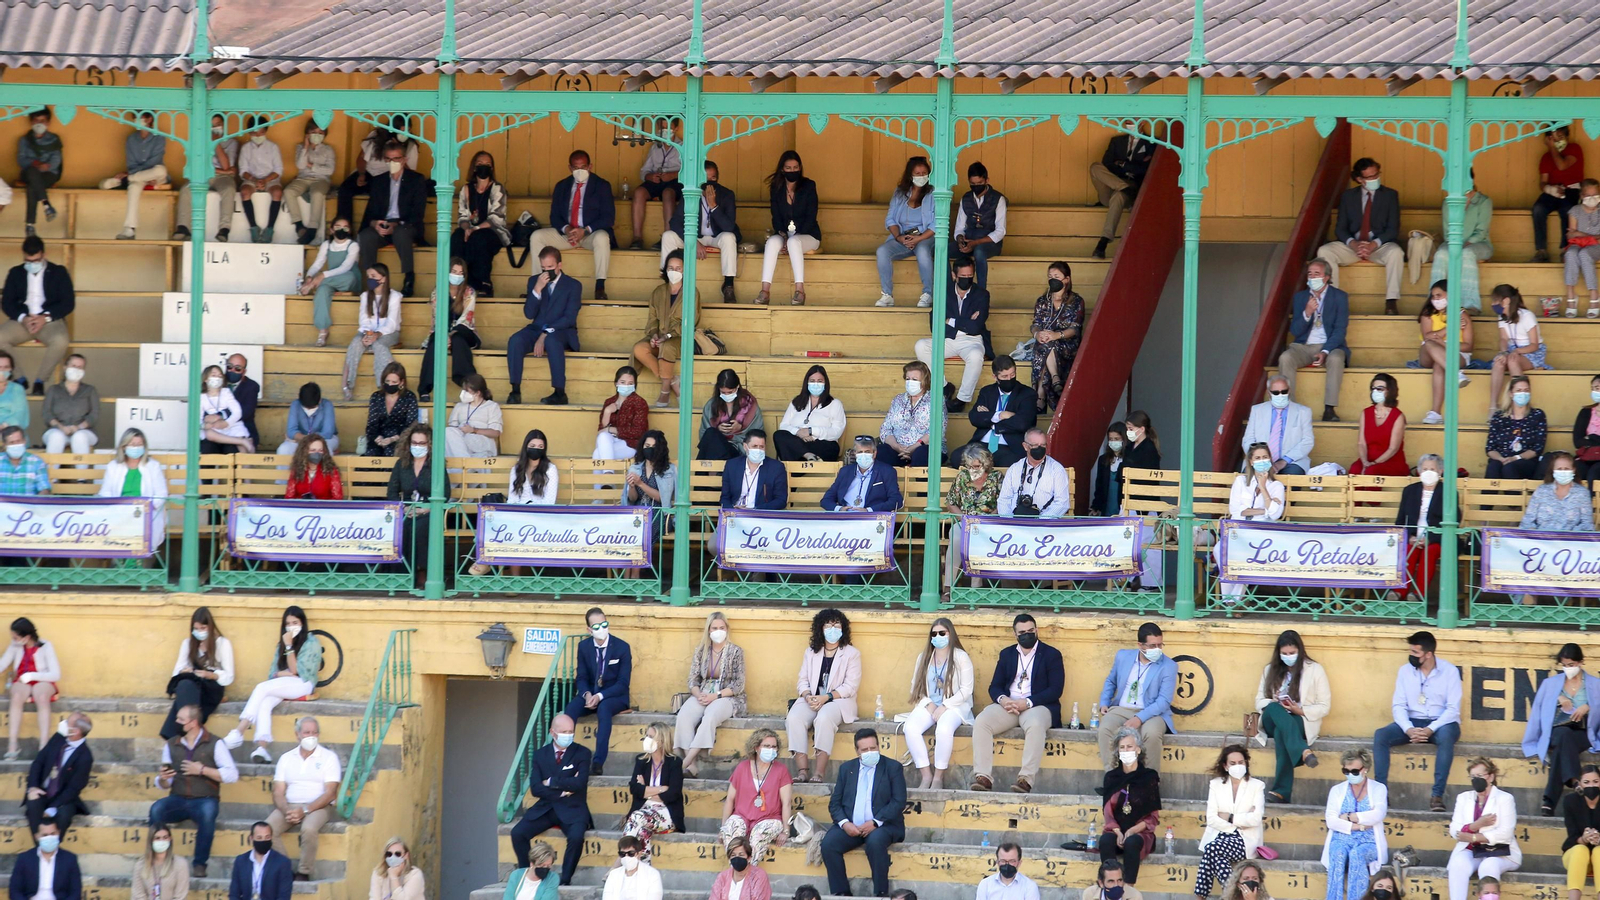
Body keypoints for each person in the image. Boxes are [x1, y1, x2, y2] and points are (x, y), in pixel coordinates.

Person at [971, 614, 1063, 794]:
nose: (1027, 635)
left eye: (1030, 631)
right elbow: (994, 686)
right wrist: (1003, 700)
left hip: (1037, 705)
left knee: (1035, 725)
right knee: (982, 721)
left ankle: (1025, 780)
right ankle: (983, 777)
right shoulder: (1007, 654)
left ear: (1036, 630)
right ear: (1015, 634)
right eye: (1022, 633)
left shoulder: (1051, 654)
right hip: (1009, 705)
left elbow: (1055, 689)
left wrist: (1027, 702)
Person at [1372, 631, 1461, 812]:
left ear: (1428, 654)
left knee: (1446, 738)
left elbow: (1453, 709)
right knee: (1381, 735)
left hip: (1441, 723)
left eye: (1415, 652)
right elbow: (1398, 705)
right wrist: (1408, 729)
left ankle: (1437, 796)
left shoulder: (1450, 672)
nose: (1411, 655)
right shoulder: (1405, 671)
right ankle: (1381, 794)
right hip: (1412, 722)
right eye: (1411, 651)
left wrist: (1430, 729)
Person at [151, 703, 238, 878]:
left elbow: (232, 775)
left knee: (208, 813)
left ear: (193, 723)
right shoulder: (171, 744)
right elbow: (166, 782)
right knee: (156, 809)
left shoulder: (215, 743)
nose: (176, 722)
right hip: (178, 798)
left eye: (180, 720)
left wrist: (202, 770)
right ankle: (159, 860)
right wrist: (163, 779)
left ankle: (200, 864)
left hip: (205, 798)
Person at [226, 607, 323, 764]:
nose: (291, 627)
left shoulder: (311, 642)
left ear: (302, 623)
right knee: (265, 702)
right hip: (285, 684)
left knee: (261, 688)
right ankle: (262, 748)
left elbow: (296, 671)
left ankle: (239, 731)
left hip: (303, 684)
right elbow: (274, 673)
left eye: (295, 623)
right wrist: (283, 673)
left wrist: (289, 647)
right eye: (288, 624)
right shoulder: (282, 644)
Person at [821, 729, 906, 897]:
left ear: (879, 747)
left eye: (873, 748)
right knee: (828, 845)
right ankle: (841, 893)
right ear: (857, 751)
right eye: (865, 750)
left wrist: (875, 822)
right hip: (852, 825)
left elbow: (899, 801)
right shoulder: (846, 769)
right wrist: (845, 824)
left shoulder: (892, 768)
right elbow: (835, 803)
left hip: (883, 825)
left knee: (875, 842)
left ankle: (880, 893)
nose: (870, 752)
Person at [509, 714, 592, 885]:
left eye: (571, 731)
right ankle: (528, 874)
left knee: (576, 837)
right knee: (517, 833)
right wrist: (562, 792)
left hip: (573, 808)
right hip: (546, 808)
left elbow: (579, 783)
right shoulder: (540, 755)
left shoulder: (582, 752)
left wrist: (551, 782)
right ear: (552, 732)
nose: (568, 735)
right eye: (564, 732)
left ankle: (565, 880)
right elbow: (535, 788)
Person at [1318, 157, 1405, 315]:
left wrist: (1373, 244)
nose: (1375, 179)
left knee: (1396, 253)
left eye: (1376, 174)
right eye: (1370, 177)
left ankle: (1391, 301)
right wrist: (1353, 244)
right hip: (1353, 246)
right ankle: (1332, 300)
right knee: (1324, 251)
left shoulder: (1390, 195)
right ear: (1359, 179)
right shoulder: (1348, 196)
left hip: (1378, 246)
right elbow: (1340, 229)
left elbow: (1393, 229)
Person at [1253, 630, 1331, 803]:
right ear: (1279, 653)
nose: (1288, 657)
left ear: (1300, 651)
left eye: (1292, 653)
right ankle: (1303, 750)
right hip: (1272, 718)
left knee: (1282, 732)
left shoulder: (1315, 670)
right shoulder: (1269, 670)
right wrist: (1274, 701)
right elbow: (1258, 701)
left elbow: (1324, 706)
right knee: (1274, 708)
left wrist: (1299, 710)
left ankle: (1281, 792)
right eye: (1285, 654)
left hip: (1300, 719)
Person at [1523, 644, 1600, 816]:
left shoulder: (1596, 684)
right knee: (1564, 735)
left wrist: (1588, 706)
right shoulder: (1550, 684)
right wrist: (1558, 698)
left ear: (1580, 662)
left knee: (1563, 746)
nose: (1568, 668)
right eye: (1564, 665)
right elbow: (1537, 711)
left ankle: (1551, 800)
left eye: (1571, 664)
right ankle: (1571, 779)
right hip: (1557, 730)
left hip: (1583, 731)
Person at [528, 150, 615, 300]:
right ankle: (537, 284)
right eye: (576, 167)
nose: (580, 170)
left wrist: (585, 230)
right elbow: (554, 216)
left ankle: (600, 286)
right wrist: (567, 229)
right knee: (537, 236)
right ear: (570, 168)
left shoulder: (601, 185)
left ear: (590, 166)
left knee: (602, 237)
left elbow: (608, 217)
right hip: (567, 235)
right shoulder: (562, 186)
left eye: (583, 167)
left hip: (589, 234)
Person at [787, 609, 861, 783]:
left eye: (837, 625)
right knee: (794, 718)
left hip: (838, 701)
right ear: (820, 628)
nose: (832, 629)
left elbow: (850, 686)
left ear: (843, 628)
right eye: (828, 625)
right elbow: (802, 681)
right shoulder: (811, 652)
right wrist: (807, 697)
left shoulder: (851, 654)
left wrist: (826, 697)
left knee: (824, 718)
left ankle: (819, 773)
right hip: (812, 699)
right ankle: (802, 771)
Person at [902, 617, 974, 790]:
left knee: (944, 729)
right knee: (910, 728)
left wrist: (945, 706)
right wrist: (928, 704)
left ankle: (938, 778)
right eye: (934, 634)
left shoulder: (960, 657)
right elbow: (915, 686)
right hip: (929, 705)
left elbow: (966, 690)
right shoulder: (924, 657)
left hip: (955, 706)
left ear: (951, 634)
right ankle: (926, 775)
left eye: (942, 633)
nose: (937, 637)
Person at [266, 717, 341, 882]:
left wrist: (305, 810)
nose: (311, 736)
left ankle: (304, 872)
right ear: (297, 735)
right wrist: (287, 811)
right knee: (267, 829)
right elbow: (278, 792)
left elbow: (330, 793)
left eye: (315, 732)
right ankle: (285, 870)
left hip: (319, 806)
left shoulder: (329, 757)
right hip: (290, 805)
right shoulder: (286, 758)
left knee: (309, 829)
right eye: (307, 732)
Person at [506, 247, 582, 407]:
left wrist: (545, 334)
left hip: (562, 331)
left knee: (551, 340)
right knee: (515, 340)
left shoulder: (573, 285)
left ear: (559, 265)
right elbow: (529, 313)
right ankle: (515, 390)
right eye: (543, 268)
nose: (547, 271)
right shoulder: (534, 281)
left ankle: (560, 393)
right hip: (536, 328)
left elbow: (569, 318)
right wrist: (537, 289)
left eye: (550, 267)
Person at [1, 236, 75, 397]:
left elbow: (68, 303)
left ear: (44, 255)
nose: (31, 264)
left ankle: (40, 381)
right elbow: (6, 303)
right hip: (23, 320)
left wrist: (45, 317)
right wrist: (23, 318)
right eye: (28, 261)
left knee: (61, 341)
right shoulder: (15, 273)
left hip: (49, 321)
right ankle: (19, 378)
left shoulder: (58, 272)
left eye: (35, 260)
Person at [1097, 623, 1177, 770]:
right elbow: (1111, 681)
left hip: (1152, 713)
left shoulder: (1168, 665)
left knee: (1152, 734)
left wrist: (1139, 718)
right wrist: (1104, 702)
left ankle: (1149, 779)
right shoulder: (1123, 656)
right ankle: (1112, 776)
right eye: (1152, 646)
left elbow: (1164, 701)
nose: (1157, 649)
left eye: (1160, 645)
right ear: (1140, 645)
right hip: (1121, 709)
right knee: (1105, 729)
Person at [675, 612, 746, 775]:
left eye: (722, 627)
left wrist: (716, 696)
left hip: (727, 697)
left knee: (710, 716)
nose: (718, 631)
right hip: (703, 692)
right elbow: (693, 679)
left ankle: (685, 762)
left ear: (727, 629)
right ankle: (692, 766)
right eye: (714, 628)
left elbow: (739, 684)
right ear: (708, 630)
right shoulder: (701, 650)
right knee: (684, 716)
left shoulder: (736, 651)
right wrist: (698, 694)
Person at [564, 607, 633, 775]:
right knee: (571, 709)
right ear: (589, 630)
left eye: (604, 624)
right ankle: (566, 758)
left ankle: (597, 762)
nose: (601, 629)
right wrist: (587, 694)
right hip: (591, 693)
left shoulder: (622, 647)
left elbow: (623, 683)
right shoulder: (584, 647)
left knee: (604, 709)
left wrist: (600, 696)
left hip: (614, 696)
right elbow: (581, 677)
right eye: (596, 626)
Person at [916, 257, 989, 413]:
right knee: (921, 345)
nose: (967, 279)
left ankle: (962, 399)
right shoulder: (943, 292)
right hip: (947, 339)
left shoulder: (982, 294)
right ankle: (944, 386)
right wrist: (965, 324)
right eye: (963, 276)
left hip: (971, 340)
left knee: (976, 356)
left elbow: (976, 326)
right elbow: (934, 324)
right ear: (954, 275)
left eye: (970, 276)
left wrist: (950, 320)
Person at [661, 160, 740, 305]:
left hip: (717, 237)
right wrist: (693, 241)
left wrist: (713, 206)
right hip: (695, 237)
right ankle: (668, 282)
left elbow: (729, 226)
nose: (709, 182)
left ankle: (728, 285)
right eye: (705, 178)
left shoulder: (726, 194)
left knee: (729, 237)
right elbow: (675, 222)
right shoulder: (690, 194)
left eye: (713, 178)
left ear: (718, 178)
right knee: (668, 236)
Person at [1279, 260, 1349, 423]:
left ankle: (1329, 409)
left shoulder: (1339, 296)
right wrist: (1307, 313)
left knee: (1336, 359)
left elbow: (1340, 330)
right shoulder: (1301, 297)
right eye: (1309, 274)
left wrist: (1325, 351)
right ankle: (1289, 408)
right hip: (1304, 347)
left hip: (1330, 346)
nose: (1312, 277)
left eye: (1316, 274)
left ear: (1326, 277)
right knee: (1285, 358)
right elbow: (1295, 331)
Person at [358, 141, 428, 297]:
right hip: (384, 225)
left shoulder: (416, 180)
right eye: (389, 159)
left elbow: (417, 213)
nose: (393, 162)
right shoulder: (379, 181)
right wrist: (375, 223)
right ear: (385, 160)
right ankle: (372, 280)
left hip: (406, 226)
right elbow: (370, 212)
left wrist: (396, 225)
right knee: (366, 235)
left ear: (404, 160)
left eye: (396, 158)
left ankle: (409, 277)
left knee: (401, 233)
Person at [1447, 758, 1521, 900]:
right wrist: (1476, 825)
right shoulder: (1463, 798)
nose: (1476, 780)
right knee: (1458, 864)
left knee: (1488, 865)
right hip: (1472, 850)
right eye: (1473, 777)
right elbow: (1454, 829)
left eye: (1480, 776)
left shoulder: (1505, 799)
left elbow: (1505, 834)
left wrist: (1472, 837)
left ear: (1491, 777)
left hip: (1500, 852)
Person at [1196, 744, 1264, 897]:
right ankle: (1234, 894)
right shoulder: (1215, 784)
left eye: (1241, 762)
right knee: (1213, 851)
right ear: (1225, 766)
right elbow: (1211, 818)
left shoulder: (1257, 786)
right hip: (1221, 834)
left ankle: (1210, 896)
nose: (1237, 766)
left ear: (1246, 763)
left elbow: (1256, 818)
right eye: (1233, 763)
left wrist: (1230, 817)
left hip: (1245, 839)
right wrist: (1238, 824)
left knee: (1211, 849)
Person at [1220, 445, 1285, 601]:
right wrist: (1264, 510)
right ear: (1250, 461)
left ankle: (1234, 601)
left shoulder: (1276, 486)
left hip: (1262, 533)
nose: (1262, 461)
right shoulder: (1241, 481)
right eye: (1257, 458)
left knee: (1247, 555)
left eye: (1265, 457)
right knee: (1219, 550)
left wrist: (1263, 487)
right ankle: (1229, 599)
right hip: (1239, 531)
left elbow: (1275, 514)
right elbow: (1235, 510)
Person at [755, 151, 821, 306]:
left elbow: (811, 216)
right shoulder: (776, 188)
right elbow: (776, 216)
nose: (792, 171)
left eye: (795, 167)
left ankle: (800, 291)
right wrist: (783, 236)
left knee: (793, 243)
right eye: (788, 168)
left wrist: (790, 239)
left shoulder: (808, 186)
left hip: (808, 235)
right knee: (772, 242)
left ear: (800, 168)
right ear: (782, 169)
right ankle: (765, 291)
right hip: (785, 234)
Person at [1098, 728, 1162, 885]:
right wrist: (1118, 832)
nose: (1126, 750)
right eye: (1122, 747)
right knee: (1106, 840)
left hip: (1140, 833)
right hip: (1116, 831)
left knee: (1131, 842)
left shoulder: (1149, 776)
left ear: (1138, 749)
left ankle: (1128, 888)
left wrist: (1132, 831)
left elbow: (1152, 817)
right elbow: (1108, 812)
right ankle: (1110, 886)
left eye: (1129, 746)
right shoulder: (1111, 777)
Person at [719, 728, 792, 860]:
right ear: (756, 747)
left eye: (774, 747)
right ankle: (737, 869)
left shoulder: (781, 770)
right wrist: (723, 828)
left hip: (770, 818)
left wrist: (786, 831)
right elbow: (730, 799)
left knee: (758, 835)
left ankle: (748, 870)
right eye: (766, 746)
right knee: (732, 831)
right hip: (742, 815)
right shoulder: (742, 767)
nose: (771, 749)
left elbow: (786, 803)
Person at [952, 356, 1038, 468]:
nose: (1009, 379)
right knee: (956, 457)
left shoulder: (1027, 394)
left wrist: (990, 419)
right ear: (995, 377)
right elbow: (974, 417)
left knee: (1011, 464)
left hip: (1009, 446)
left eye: (1012, 375)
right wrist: (1000, 415)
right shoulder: (987, 392)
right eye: (1004, 376)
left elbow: (1023, 423)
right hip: (981, 445)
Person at [161, 608, 234, 740]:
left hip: (211, 687)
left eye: (203, 628)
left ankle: (176, 737)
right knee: (185, 684)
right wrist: (185, 671)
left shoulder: (222, 643)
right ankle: (192, 733)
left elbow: (229, 676)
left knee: (185, 691)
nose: (199, 632)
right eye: (196, 628)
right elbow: (176, 672)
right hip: (193, 683)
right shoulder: (188, 644)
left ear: (210, 627)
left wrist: (210, 675)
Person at [875, 156, 937, 308]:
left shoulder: (934, 193)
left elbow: (937, 223)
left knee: (922, 250)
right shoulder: (900, 193)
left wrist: (919, 239)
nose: (921, 176)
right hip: (903, 237)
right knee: (882, 251)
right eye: (917, 173)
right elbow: (890, 219)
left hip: (926, 237)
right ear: (910, 175)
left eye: (924, 173)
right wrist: (899, 237)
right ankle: (887, 295)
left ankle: (928, 293)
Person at [418, 258, 481, 401]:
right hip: (441, 330)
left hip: (464, 331)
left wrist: (450, 335)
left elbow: (466, 318)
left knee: (458, 338)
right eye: (454, 271)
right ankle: (424, 389)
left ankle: (467, 383)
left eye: (460, 273)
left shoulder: (469, 292)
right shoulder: (438, 291)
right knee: (436, 342)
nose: (457, 275)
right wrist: (443, 334)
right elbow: (437, 316)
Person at [635, 250, 692, 409]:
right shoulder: (658, 292)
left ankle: (665, 390)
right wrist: (654, 335)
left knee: (666, 347)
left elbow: (691, 321)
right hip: (660, 337)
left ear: (685, 270)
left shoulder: (691, 292)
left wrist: (668, 336)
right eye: (670, 268)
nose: (674, 271)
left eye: (678, 268)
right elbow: (652, 318)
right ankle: (672, 380)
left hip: (680, 338)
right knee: (639, 349)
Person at [387, 424, 449, 571]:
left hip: (429, 511)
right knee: (401, 526)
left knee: (420, 528)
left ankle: (423, 571)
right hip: (407, 510)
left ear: (429, 445)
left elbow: (445, 493)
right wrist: (404, 508)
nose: (417, 446)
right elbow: (392, 492)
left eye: (422, 443)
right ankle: (402, 573)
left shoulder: (436, 465)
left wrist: (426, 509)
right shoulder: (401, 464)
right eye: (414, 443)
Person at [1428, 175, 1494, 311]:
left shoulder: (1483, 201)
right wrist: (1456, 246)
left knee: (1467, 253)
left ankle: (1469, 305)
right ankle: (1434, 303)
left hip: (1480, 244)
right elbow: (1448, 231)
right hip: (1453, 243)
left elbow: (1481, 232)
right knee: (1440, 254)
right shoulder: (1448, 202)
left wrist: (1465, 244)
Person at [1090, 128, 1157, 259]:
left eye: (1133, 119)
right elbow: (1107, 163)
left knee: (1119, 195)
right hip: (1112, 185)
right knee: (1095, 167)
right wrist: (1132, 167)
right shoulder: (1117, 141)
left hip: (1131, 185)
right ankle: (1125, 188)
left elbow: (1146, 169)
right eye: (1128, 120)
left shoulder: (1151, 142)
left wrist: (1122, 164)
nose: (1129, 122)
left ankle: (1103, 242)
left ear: (1142, 122)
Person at [23, 711, 91, 838]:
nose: (63, 724)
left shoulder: (85, 756)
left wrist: (52, 807)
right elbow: (38, 762)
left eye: (67, 723)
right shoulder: (58, 738)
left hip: (63, 798)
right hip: (43, 792)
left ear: (76, 731)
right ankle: (41, 846)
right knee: (33, 804)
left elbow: (74, 788)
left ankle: (51, 847)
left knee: (64, 814)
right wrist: (32, 787)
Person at [100, 112, 168, 240]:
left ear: (149, 119)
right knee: (133, 188)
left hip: (155, 176)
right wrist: (139, 175)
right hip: (138, 176)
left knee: (161, 170)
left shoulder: (159, 137)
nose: (137, 120)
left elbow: (155, 161)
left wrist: (131, 175)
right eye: (135, 118)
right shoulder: (131, 139)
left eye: (140, 117)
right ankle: (129, 229)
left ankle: (124, 180)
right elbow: (131, 164)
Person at [621, 723, 683, 862]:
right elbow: (634, 789)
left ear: (662, 740)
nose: (646, 739)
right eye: (646, 736)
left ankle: (620, 861)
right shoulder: (641, 761)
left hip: (666, 813)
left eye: (651, 736)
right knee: (642, 832)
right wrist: (661, 789)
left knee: (636, 817)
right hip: (645, 811)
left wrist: (646, 790)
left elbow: (673, 794)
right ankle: (643, 868)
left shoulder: (674, 762)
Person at [1416, 281, 1474, 426]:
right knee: (1430, 343)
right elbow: (1427, 337)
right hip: (1429, 353)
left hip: (1456, 354)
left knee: (1439, 365)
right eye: (1433, 296)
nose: (1435, 299)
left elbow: (1468, 346)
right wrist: (1450, 328)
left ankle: (1435, 413)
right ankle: (1455, 373)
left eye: (1439, 295)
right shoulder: (1428, 314)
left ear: (1450, 295)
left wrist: (1444, 343)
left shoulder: (1462, 315)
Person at [97, 428, 169, 546]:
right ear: (124, 447)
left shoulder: (153, 466)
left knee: (143, 532)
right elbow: (105, 492)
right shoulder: (113, 466)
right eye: (133, 444)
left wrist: (147, 507)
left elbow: (161, 494)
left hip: (145, 513)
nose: (136, 448)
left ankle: (139, 558)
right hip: (119, 513)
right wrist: (117, 507)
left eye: (140, 444)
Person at [452, 150, 510, 295]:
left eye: (487, 164)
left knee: (479, 238)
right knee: (457, 237)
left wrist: (475, 228)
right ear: (474, 167)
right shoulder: (466, 189)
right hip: (471, 230)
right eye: (480, 163)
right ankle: (456, 279)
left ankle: (482, 283)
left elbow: (496, 218)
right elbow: (462, 216)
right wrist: (467, 228)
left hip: (493, 232)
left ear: (492, 168)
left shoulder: (497, 188)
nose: (483, 166)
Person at [173, 114, 238, 242]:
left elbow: (226, 165)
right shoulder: (200, 142)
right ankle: (183, 227)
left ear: (223, 125)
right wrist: (225, 171)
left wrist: (216, 143)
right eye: (212, 126)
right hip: (203, 175)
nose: (215, 128)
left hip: (222, 178)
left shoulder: (231, 142)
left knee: (229, 189)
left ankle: (224, 229)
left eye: (217, 125)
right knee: (186, 188)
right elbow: (199, 166)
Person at [944, 446, 1000, 592]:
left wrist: (987, 520)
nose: (973, 470)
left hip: (989, 524)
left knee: (978, 539)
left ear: (986, 464)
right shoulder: (962, 476)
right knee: (956, 537)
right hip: (965, 521)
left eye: (976, 466)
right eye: (969, 466)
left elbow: (1003, 504)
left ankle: (976, 588)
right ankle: (948, 587)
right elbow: (951, 502)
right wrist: (964, 520)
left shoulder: (996, 477)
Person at [343, 263, 403, 400]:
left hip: (389, 333)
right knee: (355, 343)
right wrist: (367, 333)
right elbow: (363, 319)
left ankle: (382, 386)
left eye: (373, 276)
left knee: (379, 345)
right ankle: (348, 384)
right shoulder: (365, 296)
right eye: (368, 276)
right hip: (369, 331)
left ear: (383, 278)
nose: (370, 279)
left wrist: (378, 334)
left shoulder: (394, 296)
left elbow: (392, 323)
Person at [336, 125, 418, 223]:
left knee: (379, 197)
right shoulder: (377, 137)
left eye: (407, 130)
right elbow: (361, 158)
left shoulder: (411, 146)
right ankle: (343, 225)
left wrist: (398, 151)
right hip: (368, 172)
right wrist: (361, 174)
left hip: (388, 178)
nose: (404, 134)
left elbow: (410, 175)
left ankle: (377, 226)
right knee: (345, 190)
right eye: (401, 130)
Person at [1488, 286, 1548, 421]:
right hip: (1512, 350)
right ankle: (1493, 406)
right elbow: (1503, 339)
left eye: (1495, 300)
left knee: (1512, 360)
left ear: (1506, 301)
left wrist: (1517, 351)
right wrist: (1503, 352)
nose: (1493, 304)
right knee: (1498, 363)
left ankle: (1520, 406)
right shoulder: (1502, 317)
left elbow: (1534, 345)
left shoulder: (1527, 316)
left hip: (1530, 352)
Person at [1031, 263, 1085, 412]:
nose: (1052, 279)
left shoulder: (1076, 301)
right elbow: (1035, 324)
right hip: (1045, 341)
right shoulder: (1042, 301)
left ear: (1066, 279)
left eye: (1056, 276)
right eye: (1050, 277)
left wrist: (1057, 335)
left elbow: (1075, 328)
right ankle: (1055, 379)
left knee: (1049, 345)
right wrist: (1037, 334)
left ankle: (1040, 396)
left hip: (1067, 343)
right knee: (1045, 344)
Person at [3, 618, 60, 758]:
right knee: (16, 696)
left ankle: (44, 746)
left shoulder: (46, 646)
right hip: (22, 681)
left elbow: (56, 674)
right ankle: (13, 745)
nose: (14, 640)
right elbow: (2, 664)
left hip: (43, 680)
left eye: (16, 637)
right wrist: (25, 678)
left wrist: (32, 676)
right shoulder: (15, 646)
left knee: (41, 696)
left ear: (27, 637)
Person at [1395, 455, 1449, 601]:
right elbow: (1400, 521)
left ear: (1440, 471)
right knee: (1408, 550)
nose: (1428, 472)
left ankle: (1419, 593)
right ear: (1419, 471)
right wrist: (1410, 537)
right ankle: (1399, 592)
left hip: (1437, 540)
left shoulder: (1448, 492)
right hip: (1413, 538)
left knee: (1429, 553)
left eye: (1432, 469)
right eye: (1425, 469)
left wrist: (1430, 539)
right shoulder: (1410, 491)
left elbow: (1453, 521)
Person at [301, 219, 362, 347]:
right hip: (330, 281)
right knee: (322, 290)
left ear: (349, 230)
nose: (341, 230)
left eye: (345, 227)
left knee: (349, 277)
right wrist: (309, 276)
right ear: (332, 230)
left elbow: (345, 267)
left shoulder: (353, 245)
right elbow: (318, 263)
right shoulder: (327, 245)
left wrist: (321, 277)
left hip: (348, 280)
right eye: (338, 227)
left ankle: (313, 286)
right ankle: (323, 331)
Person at [628, 118, 682, 251]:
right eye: (662, 127)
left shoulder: (683, 147)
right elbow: (644, 171)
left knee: (668, 193)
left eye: (668, 127)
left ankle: (667, 236)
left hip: (675, 181)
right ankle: (637, 238)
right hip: (656, 179)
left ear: (676, 128)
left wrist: (672, 175)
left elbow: (690, 171)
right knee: (639, 192)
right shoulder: (655, 147)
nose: (665, 130)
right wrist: (649, 177)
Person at [1242, 376, 1312, 475]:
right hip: (1259, 460)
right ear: (1268, 393)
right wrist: (1259, 458)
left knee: (1293, 477)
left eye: (1284, 391)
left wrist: (1285, 460)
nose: (1280, 395)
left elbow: (1308, 441)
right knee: (1250, 478)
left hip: (1292, 461)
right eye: (1275, 392)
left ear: (1289, 391)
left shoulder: (1303, 411)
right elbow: (1248, 439)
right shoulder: (1257, 410)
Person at [1534, 126, 1584, 262]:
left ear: (1567, 137)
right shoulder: (1546, 157)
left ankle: (1565, 250)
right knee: (1538, 209)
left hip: (1572, 190)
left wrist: (1552, 147)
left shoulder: (1574, 149)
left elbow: (1562, 165)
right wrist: (1550, 189)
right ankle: (1541, 251)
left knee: (1567, 209)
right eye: (1553, 138)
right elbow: (1542, 182)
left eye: (1560, 137)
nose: (1557, 141)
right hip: (1553, 191)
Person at [776, 365, 846, 462]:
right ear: (807, 383)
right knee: (779, 435)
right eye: (812, 381)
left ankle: (803, 458)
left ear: (825, 383)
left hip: (821, 445)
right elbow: (784, 426)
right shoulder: (796, 402)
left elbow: (836, 431)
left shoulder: (835, 404)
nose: (816, 384)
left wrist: (811, 431)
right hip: (797, 443)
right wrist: (798, 432)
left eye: (820, 381)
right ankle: (808, 455)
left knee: (832, 447)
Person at [879, 361, 942, 468]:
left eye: (914, 379)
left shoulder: (936, 400)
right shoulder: (898, 400)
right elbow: (886, 429)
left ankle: (918, 480)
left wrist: (913, 448)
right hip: (898, 449)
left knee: (922, 454)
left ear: (924, 381)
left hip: (923, 448)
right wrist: (897, 446)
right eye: (908, 379)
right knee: (881, 452)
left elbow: (937, 430)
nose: (910, 382)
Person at [953, 162, 1006, 289]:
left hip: (990, 243)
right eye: (973, 184)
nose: (976, 186)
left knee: (979, 252)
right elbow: (959, 228)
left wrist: (976, 243)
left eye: (980, 183)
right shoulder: (966, 198)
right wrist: (960, 240)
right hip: (969, 241)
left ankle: (981, 292)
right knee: (941, 250)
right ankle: (949, 289)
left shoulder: (998, 199)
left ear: (987, 180)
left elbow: (1000, 231)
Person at [998, 429, 1071, 517]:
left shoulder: (1057, 470)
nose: (1039, 449)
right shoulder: (1014, 469)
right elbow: (1004, 500)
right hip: (1015, 521)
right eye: (1035, 445)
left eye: (1043, 445)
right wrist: (1009, 520)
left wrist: (1041, 521)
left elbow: (1062, 503)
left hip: (1044, 522)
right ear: (1025, 446)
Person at [286, 119, 335, 246]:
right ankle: (298, 225)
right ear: (307, 133)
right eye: (313, 132)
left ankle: (312, 229)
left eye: (320, 133)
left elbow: (329, 170)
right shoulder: (300, 147)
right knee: (288, 191)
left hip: (321, 179)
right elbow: (300, 165)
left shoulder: (328, 149)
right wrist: (306, 147)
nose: (317, 135)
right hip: (303, 178)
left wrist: (311, 166)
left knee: (317, 193)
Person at [1485, 375, 1546, 478]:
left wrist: (1516, 458)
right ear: (1511, 394)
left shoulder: (1537, 415)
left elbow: (1537, 448)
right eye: (1519, 390)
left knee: (1509, 468)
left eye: (1526, 390)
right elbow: (1490, 448)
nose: (1523, 393)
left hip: (1525, 461)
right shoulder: (1499, 417)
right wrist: (1501, 459)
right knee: (1493, 467)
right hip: (1501, 458)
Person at [1521, 451, 1596, 536]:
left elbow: (1587, 525)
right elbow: (1527, 522)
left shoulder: (1582, 493)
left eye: (1566, 469)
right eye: (1559, 469)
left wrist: (1569, 535)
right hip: (1542, 541)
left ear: (1573, 470)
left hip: (1571, 541)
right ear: (1553, 471)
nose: (1563, 472)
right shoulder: (1541, 491)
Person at [236, 118, 285, 243]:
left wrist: (265, 180)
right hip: (252, 179)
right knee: (245, 192)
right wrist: (254, 180)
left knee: (277, 193)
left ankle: (270, 228)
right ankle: (253, 227)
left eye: (261, 132)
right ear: (249, 132)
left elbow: (278, 169)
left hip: (270, 179)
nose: (258, 136)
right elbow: (243, 170)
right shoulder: (246, 148)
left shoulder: (273, 147)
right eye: (254, 133)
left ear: (265, 131)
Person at [822, 437, 903, 513]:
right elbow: (826, 500)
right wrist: (840, 509)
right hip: (845, 517)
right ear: (855, 454)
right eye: (860, 452)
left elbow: (896, 500)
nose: (863, 455)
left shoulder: (887, 471)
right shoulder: (845, 471)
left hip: (872, 518)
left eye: (867, 452)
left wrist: (869, 511)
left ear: (874, 453)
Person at [1349, 374, 1407, 478]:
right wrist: (1365, 462)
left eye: (1380, 389)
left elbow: (1393, 448)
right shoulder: (1366, 413)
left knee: (1372, 472)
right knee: (1354, 470)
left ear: (1390, 391)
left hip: (1390, 462)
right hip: (1368, 460)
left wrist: (1374, 463)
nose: (1375, 391)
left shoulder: (1398, 416)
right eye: (1373, 388)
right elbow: (1361, 443)